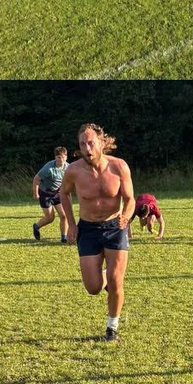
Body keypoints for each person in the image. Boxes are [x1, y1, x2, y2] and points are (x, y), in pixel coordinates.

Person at [59, 124, 134, 342]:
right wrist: (71, 224)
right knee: (92, 287)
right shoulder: (73, 171)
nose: (87, 148)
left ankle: (112, 327)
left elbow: (130, 199)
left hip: (115, 227)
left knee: (116, 280)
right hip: (88, 228)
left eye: (91, 143)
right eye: (83, 144)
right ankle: (107, 278)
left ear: (102, 142)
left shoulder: (118, 166)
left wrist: (126, 217)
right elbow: (64, 194)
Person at [32, 146, 70, 244]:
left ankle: (64, 237)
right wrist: (36, 193)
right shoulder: (49, 168)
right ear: (55, 158)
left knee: (64, 215)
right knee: (50, 218)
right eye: (58, 157)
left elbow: (71, 181)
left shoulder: (69, 167)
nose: (60, 160)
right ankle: (36, 226)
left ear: (66, 157)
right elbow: (36, 179)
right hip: (45, 194)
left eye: (62, 157)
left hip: (58, 194)